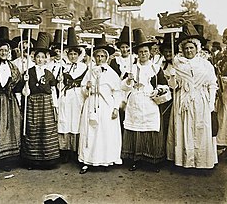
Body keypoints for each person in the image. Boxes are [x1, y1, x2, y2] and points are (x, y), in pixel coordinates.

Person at [167, 23, 218, 169]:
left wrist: (210, 103)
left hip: (201, 100)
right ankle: (186, 162)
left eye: (191, 47)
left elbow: (212, 84)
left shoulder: (205, 64)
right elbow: (174, 86)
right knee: (185, 130)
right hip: (184, 101)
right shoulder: (178, 64)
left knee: (201, 131)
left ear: (197, 48)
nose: (189, 50)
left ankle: (201, 162)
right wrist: (172, 77)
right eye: (186, 48)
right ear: (182, 50)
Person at [121, 29, 169, 173]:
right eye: (140, 52)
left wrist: (158, 90)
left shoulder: (155, 68)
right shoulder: (132, 68)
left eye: (146, 52)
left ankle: (152, 161)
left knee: (150, 129)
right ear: (137, 54)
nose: (143, 55)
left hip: (150, 102)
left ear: (150, 53)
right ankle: (135, 160)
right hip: (135, 101)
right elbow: (123, 87)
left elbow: (164, 85)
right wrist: (129, 80)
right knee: (136, 130)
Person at [78, 35, 122, 174]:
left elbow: (117, 92)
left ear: (107, 57)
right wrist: (87, 87)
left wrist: (115, 108)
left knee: (104, 133)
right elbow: (83, 89)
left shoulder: (112, 73)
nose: (100, 59)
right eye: (97, 56)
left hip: (105, 105)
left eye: (103, 56)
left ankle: (104, 159)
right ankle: (87, 160)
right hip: (91, 104)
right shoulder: (90, 71)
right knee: (90, 132)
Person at [20, 32, 60, 170]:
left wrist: (55, 105)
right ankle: (32, 160)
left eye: (43, 57)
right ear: (34, 58)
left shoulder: (49, 74)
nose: (40, 59)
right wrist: (25, 82)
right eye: (38, 57)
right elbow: (25, 91)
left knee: (46, 129)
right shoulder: (28, 72)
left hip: (46, 103)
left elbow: (53, 90)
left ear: (46, 59)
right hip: (32, 102)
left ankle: (47, 160)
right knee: (33, 129)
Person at [0, 27, 22, 172]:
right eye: (1, 50)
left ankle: (9, 160)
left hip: (9, 101)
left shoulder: (13, 67)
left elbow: (18, 85)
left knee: (11, 128)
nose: (4, 53)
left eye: (6, 50)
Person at [57, 27, 87, 163]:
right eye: (70, 54)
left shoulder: (84, 67)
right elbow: (59, 85)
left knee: (76, 121)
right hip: (66, 96)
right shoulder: (63, 67)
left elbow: (85, 83)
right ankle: (65, 150)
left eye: (75, 54)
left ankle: (75, 150)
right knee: (65, 121)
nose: (73, 56)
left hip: (78, 97)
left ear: (79, 55)